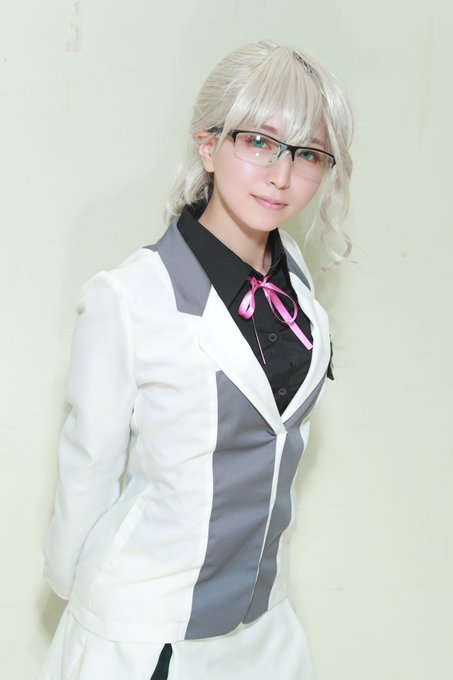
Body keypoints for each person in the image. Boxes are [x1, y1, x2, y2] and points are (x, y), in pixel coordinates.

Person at [37, 39, 353, 680]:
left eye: (307, 153)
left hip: (264, 624)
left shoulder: (296, 276)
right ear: (208, 145)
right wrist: (79, 597)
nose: (282, 174)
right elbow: (88, 467)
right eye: (258, 141)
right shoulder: (129, 297)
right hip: (146, 631)